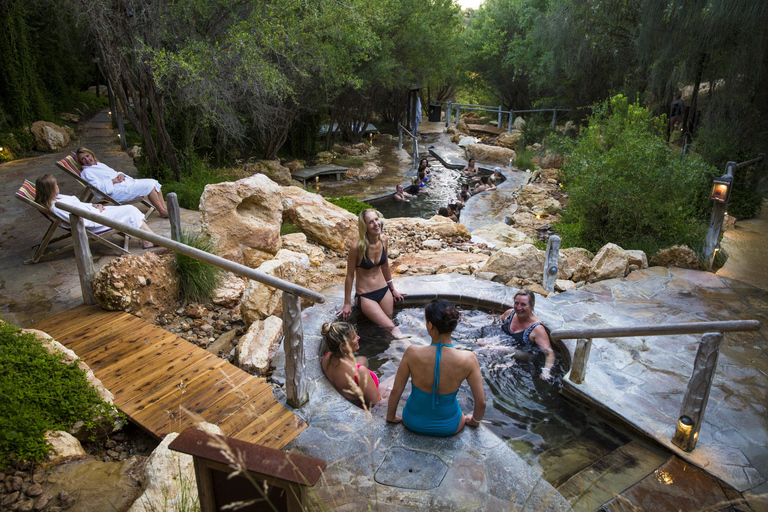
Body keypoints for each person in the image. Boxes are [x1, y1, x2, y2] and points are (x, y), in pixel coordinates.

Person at [387, 300, 486, 436]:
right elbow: (481, 403)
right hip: (449, 426)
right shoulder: (468, 359)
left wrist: (390, 417)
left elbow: (396, 391)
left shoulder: (412, 352)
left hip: (412, 421)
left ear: (430, 325)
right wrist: (474, 421)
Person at [34, 174, 156, 249]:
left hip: (93, 212)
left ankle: (149, 239)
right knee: (129, 210)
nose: (57, 187)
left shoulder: (58, 198)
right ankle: (151, 239)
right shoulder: (57, 206)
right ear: (50, 189)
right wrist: (97, 211)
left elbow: (78, 206)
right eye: (55, 185)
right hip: (94, 221)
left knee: (129, 210)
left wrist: (93, 205)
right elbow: (81, 220)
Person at [338, 209, 407, 338]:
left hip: (384, 291)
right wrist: (347, 303)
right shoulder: (357, 247)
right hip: (365, 295)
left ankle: (389, 353)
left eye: (376, 219)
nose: (376, 224)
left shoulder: (384, 240)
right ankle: (409, 350)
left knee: (388, 327)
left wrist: (393, 289)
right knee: (391, 327)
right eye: (371, 222)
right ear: (365, 227)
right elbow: (349, 275)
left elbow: (385, 266)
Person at [75, 147, 169, 218]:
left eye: (87, 156)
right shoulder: (86, 172)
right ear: (81, 162)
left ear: (91, 155)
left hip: (122, 184)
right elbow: (97, 187)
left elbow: (114, 173)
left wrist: (120, 175)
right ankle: (162, 211)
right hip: (116, 191)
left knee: (153, 182)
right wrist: (113, 181)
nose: (87, 160)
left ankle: (164, 208)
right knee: (149, 186)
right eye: (83, 159)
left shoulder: (99, 164)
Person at [321, 321, 381, 409]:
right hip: (362, 407)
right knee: (394, 380)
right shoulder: (360, 372)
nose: (358, 337)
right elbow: (378, 404)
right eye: (354, 337)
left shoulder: (327, 358)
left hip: (347, 393)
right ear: (343, 346)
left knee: (362, 359)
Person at [499, 290, 556, 380]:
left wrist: (546, 371)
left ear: (531, 306)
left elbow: (549, 353)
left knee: (499, 349)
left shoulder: (537, 328)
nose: (518, 307)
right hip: (506, 344)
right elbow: (497, 319)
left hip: (526, 355)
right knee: (482, 343)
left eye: (523, 304)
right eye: (516, 303)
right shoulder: (510, 313)